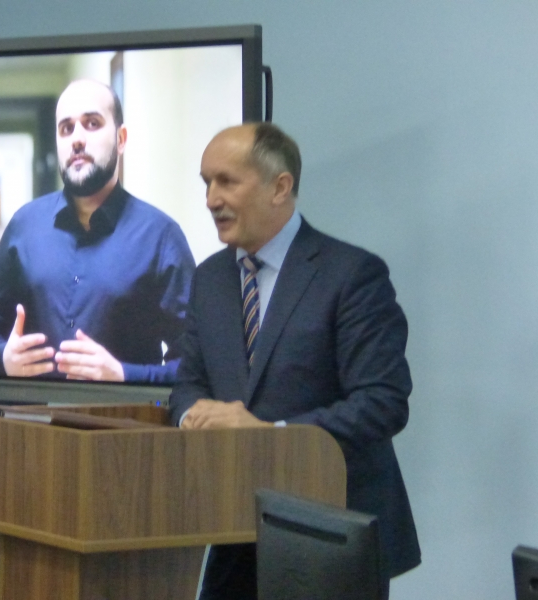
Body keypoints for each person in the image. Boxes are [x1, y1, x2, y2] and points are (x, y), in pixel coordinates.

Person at [169, 123, 420, 599]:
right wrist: (192, 417)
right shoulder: (210, 279)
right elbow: (188, 386)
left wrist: (271, 435)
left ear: (280, 187)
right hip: (233, 527)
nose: (211, 199)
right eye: (206, 183)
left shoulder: (351, 275)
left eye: (226, 181)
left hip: (332, 533)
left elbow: (383, 403)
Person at [0, 79, 195, 384]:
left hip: (123, 414)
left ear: (121, 139)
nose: (77, 139)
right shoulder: (25, 225)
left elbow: (196, 362)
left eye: (92, 124)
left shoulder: (160, 237)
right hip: (31, 414)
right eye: (66, 128)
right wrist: (2, 359)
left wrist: (124, 375)